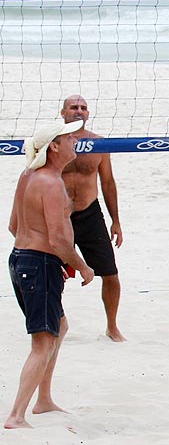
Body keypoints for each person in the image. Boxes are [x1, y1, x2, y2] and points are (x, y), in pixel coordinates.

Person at [4, 120, 95, 429]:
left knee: (59, 325)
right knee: (42, 343)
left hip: (20, 260)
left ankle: (44, 400)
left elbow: (14, 226)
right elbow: (57, 240)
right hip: (38, 265)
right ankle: (17, 416)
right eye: (70, 138)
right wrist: (82, 265)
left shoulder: (27, 175)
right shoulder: (52, 183)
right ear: (54, 146)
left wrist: (36, 247)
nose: (75, 142)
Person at [60, 95, 126, 342]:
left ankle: (112, 327)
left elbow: (107, 182)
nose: (79, 111)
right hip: (59, 214)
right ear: (62, 112)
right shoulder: (52, 142)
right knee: (51, 274)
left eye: (83, 108)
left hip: (90, 213)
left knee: (110, 274)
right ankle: (55, 322)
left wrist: (116, 220)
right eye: (73, 107)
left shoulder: (99, 143)